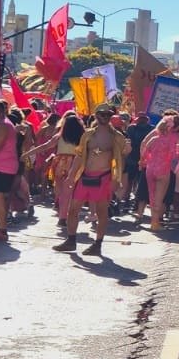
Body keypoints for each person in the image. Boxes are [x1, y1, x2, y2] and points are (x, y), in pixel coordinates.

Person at [56, 105, 127, 255]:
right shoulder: (87, 135)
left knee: (102, 212)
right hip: (84, 177)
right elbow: (80, 156)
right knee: (73, 209)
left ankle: (97, 244)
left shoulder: (117, 137)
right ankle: (71, 240)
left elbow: (121, 159)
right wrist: (70, 177)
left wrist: (117, 179)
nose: (105, 116)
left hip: (104, 178)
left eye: (108, 114)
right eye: (101, 114)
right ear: (96, 115)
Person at [0, 104, 21, 244]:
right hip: (0, 166)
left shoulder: (3, 125)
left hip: (0, 166)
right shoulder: (1, 124)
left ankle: (3, 230)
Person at [140, 116, 179, 231]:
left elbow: (144, 152)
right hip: (163, 169)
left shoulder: (154, 139)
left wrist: (145, 161)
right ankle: (155, 223)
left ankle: (153, 221)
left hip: (150, 168)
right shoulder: (172, 139)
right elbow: (173, 156)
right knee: (159, 198)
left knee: (151, 196)